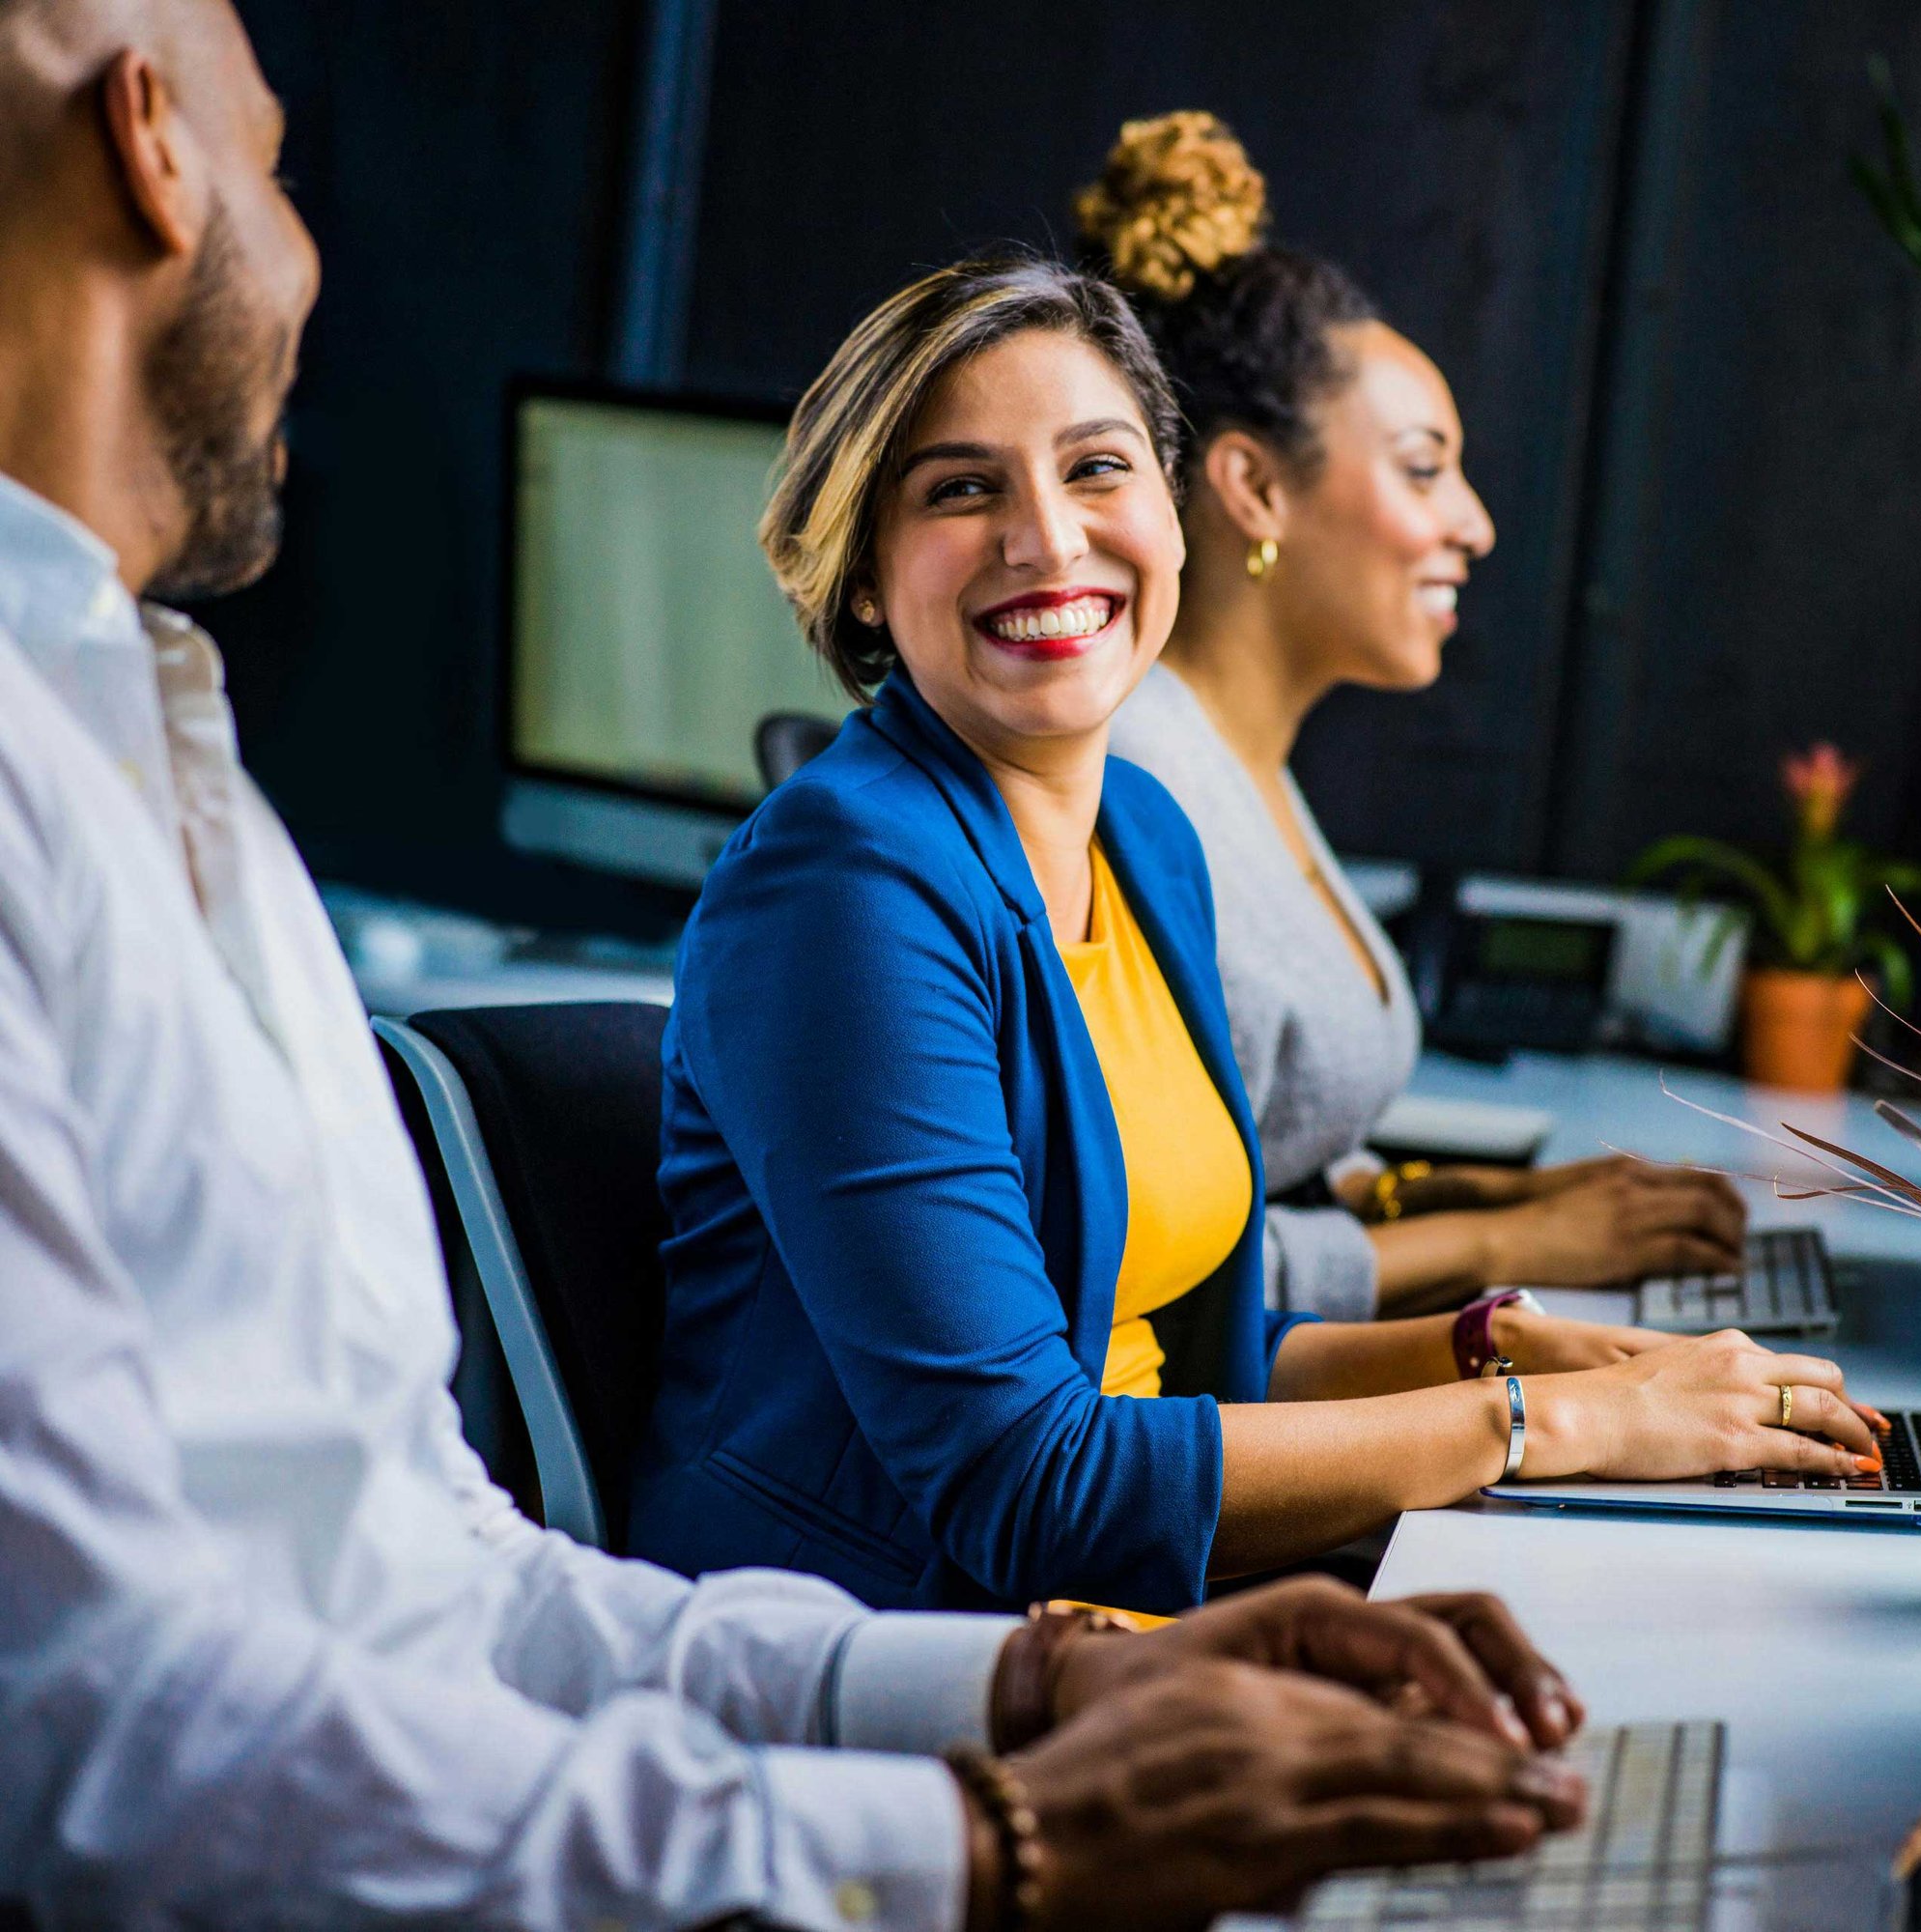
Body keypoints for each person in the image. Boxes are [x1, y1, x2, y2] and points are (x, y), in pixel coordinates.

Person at [0, 3, 1605, 1923]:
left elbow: (440, 1576)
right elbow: (92, 1738)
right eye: (278, 163)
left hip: (783, 1738)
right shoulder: (835, 872)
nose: (312, 248)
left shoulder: (164, 764)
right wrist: (1000, 1830)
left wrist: (1053, 1690)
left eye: (1100, 469)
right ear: (153, 142)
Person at [632, 249, 1882, 1622]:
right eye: (961, 489)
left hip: (1129, 1616)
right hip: (892, 1658)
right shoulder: (843, 888)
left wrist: (1500, 1350)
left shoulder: (1148, 838)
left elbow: (1189, 1364)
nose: (1048, 538)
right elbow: (1025, 1481)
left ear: (1173, 512)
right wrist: (1550, 1424)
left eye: (1098, 469)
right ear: (864, 577)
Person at [1084, 112, 1751, 1322]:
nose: (1474, 524)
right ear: (1252, 485)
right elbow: (1154, 1274)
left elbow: (1266, 1165)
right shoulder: (1139, 789)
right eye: (1421, 466)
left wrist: (1485, 1196)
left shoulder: (1240, 766)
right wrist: (1505, 1239)